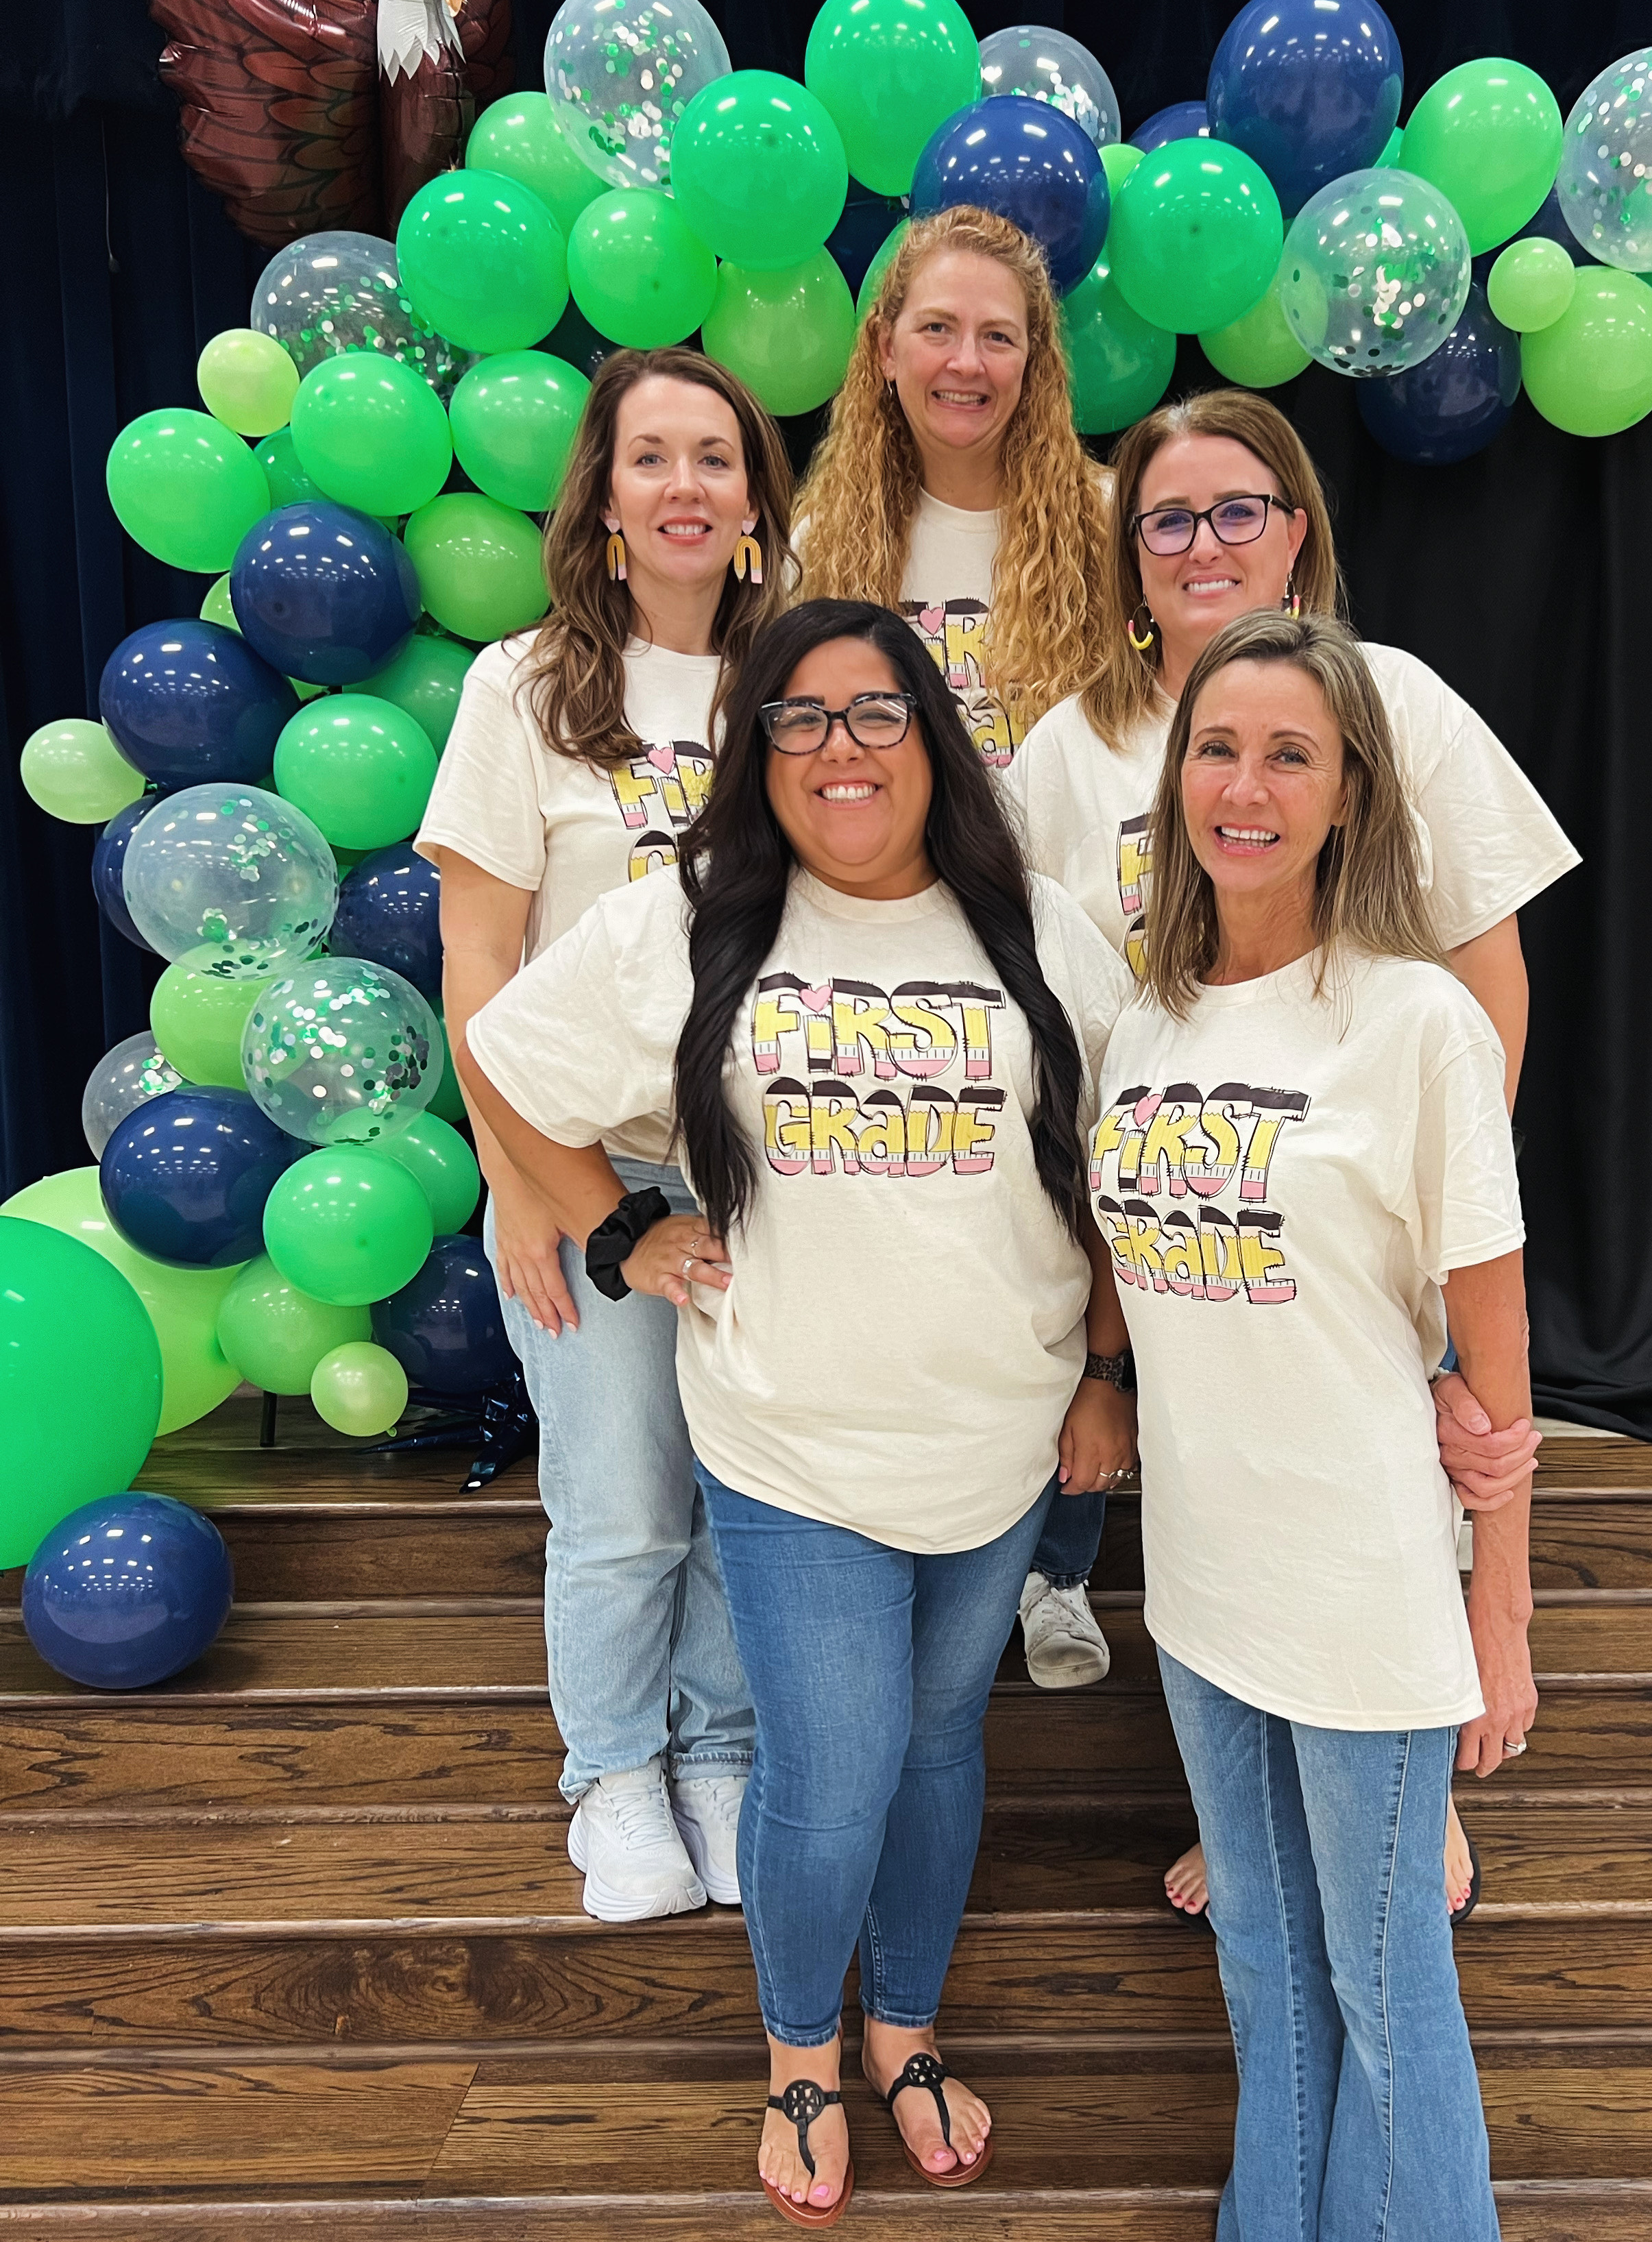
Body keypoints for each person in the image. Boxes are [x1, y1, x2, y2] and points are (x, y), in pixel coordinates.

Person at [459, 598, 1136, 2224]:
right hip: (789, 1440)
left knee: (943, 1749)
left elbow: (1121, 1173)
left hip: (998, 1434)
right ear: (756, 750)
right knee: (833, 1772)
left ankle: (902, 2030)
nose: (843, 748)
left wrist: (1107, 1378)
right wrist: (618, 1229)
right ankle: (797, 2056)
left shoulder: (1039, 928)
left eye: (878, 713)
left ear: (934, 737)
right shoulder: (689, 921)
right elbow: (501, 1059)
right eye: (800, 718)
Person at [1009, 385, 1575, 1918]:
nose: (1202, 544)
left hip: (1344, 1205)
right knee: (1215, 1511)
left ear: (1296, 532)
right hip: (1166, 1202)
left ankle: (1402, 1804)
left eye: (1235, 510)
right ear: (1129, 557)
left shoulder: (1393, 697)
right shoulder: (1073, 749)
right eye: (1166, 520)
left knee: (1382, 1483)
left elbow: (1490, 972)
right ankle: (1252, 1808)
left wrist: (1438, 1261)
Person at [1104, 611, 1530, 2242]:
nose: (1247, 787)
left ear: (1351, 790)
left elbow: (1500, 1386)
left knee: (1386, 1986)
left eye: (1291, 753)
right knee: (1266, 1976)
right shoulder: (1147, 1012)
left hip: (1365, 1583)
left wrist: (1499, 1628)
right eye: (1219, 749)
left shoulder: (1418, 1018)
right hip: (1201, 1579)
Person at [424, 348, 793, 1926]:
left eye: (716, 458)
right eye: (654, 459)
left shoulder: (798, 680)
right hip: (589, 1165)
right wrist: (524, 1185)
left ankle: (716, 1755)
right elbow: (480, 969)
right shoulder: (524, 686)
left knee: (742, 1484)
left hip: (772, 1168)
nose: (687, 488)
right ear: (607, 497)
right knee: (626, 1497)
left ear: (755, 500)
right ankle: (614, 1777)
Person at [793, 203, 1117, 1693]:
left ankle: (1062, 1563)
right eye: (939, 327)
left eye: (999, 333)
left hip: (1058, 953)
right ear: (886, 344)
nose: (968, 359)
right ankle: (914, 1557)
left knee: (1067, 1238)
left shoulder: (1104, 521)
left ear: (1039, 357)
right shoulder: (822, 533)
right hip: (885, 959)